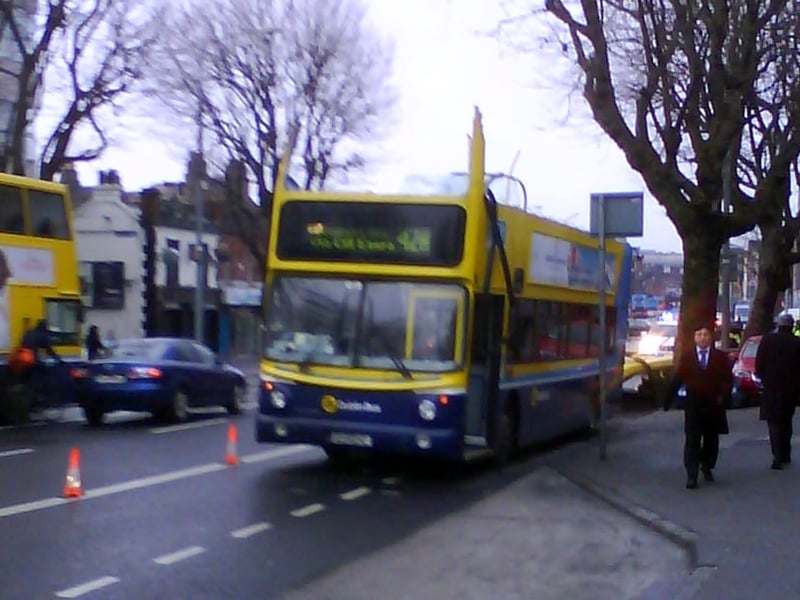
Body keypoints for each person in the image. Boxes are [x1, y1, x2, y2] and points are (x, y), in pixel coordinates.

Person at [666, 322, 732, 489]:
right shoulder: (688, 357)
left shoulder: (719, 357)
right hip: (694, 405)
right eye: (699, 335)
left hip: (713, 404)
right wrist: (668, 400)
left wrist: (723, 396)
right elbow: (678, 379)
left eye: (706, 335)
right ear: (695, 338)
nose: (703, 338)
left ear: (711, 338)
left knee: (711, 439)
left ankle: (707, 465)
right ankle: (692, 475)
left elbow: (727, 379)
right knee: (692, 440)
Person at [754, 313, 800, 470]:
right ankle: (785, 452)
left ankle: (777, 455)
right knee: (786, 420)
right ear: (791, 326)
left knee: (773, 421)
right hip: (791, 388)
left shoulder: (768, 340)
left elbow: (759, 363)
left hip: (771, 386)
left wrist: (762, 378)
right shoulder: (796, 342)